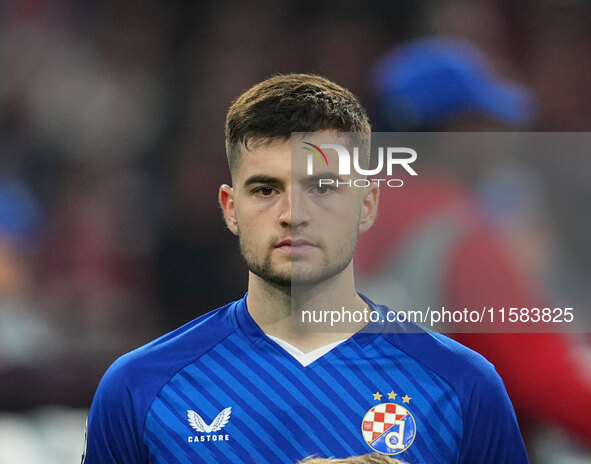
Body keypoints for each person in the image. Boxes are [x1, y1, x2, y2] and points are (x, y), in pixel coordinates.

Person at [82, 73, 528, 463]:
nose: (293, 213)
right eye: (264, 189)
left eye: (323, 188)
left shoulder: (465, 387)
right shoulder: (138, 389)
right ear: (230, 208)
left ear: (367, 205)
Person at [358, 37, 591, 453]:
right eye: (485, 123)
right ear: (455, 131)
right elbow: (546, 381)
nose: (499, 140)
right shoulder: (457, 234)